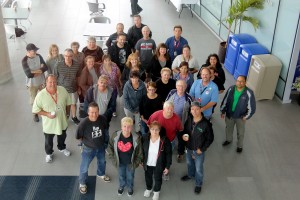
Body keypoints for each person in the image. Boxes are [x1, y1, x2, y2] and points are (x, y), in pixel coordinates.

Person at [32, 74, 71, 163]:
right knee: (48, 141)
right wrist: (47, 114)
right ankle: (49, 153)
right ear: (46, 82)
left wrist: (67, 114)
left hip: (62, 121)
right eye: (50, 82)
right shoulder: (40, 95)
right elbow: (35, 110)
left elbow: (68, 102)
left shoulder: (62, 90)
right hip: (49, 125)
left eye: (54, 82)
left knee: (62, 136)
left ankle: (62, 148)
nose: (52, 84)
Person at [76, 102, 111, 194]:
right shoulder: (83, 123)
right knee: (84, 167)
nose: (94, 115)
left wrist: (105, 143)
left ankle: (101, 174)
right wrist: (84, 144)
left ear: (99, 111)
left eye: (96, 112)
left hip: (100, 147)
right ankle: (82, 183)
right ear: (88, 112)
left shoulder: (102, 119)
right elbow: (78, 136)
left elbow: (106, 130)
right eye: (92, 112)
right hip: (88, 149)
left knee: (102, 162)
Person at [181, 101, 214, 194]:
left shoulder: (206, 124)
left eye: (196, 109)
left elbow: (210, 138)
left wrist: (202, 149)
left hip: (199, 150)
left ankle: (198, 184)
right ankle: (191, 175)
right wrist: (184, 135)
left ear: (200, 110)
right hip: (189, 148)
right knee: (189, 163)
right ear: (190, 110)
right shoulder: (189, 119)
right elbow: (185, 130)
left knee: (199, 168)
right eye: (192, 109)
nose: (194, 111)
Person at [147, 101, 183, 180]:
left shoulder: (176, 119)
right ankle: (155, 169)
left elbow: (180, 130)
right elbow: (149, 125)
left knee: (166, 157)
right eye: (168, 108)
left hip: (170, 142)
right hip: (157, 141)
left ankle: (165, 171)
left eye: (172, 109)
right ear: (163, 109)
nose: (170, 111)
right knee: (156, 156)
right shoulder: (155, 115)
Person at [108, 117, 143, 197]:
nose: (126, 129)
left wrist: (136, 163)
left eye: (129, 126)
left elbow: (140, 153)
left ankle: (130, 187)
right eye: (124, 126)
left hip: (131, 163)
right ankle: (122, 186)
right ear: (121, 126)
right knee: (121, 175)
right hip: (119, 162)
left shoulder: (136, 138)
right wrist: (113, 159)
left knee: (130, 176)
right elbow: (110, 147)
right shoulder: (115, 135)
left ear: (132, 127)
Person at [220, 75, 256, 153]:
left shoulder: (249, 93)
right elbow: (225, 100)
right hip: (229, 114)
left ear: (245, 82)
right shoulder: (231, 89)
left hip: (240, 117)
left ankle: (239, 146)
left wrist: (246, 116)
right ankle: (228, 140)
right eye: (238, 80)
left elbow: (252, 108)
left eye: (241, 81)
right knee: (228, 128)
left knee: (240, 132)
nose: (239, 83)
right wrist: (222, 111)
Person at [142, 121, 172, 200]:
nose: (154, 131)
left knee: (158, 178)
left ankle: (156, 191)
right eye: (152, 129)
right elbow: (141, 151)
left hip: (159, 164)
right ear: (149, 129)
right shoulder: (145, 138)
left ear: (159, 130)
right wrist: (141, 160)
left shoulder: (164, 140)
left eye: (156, 130)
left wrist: (167, 166)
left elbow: (169, 154)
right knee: (148, 177)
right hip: (148, 163)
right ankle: (149, 189)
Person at [165, 80, 192, 163]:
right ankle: (167, 149)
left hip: (181, 123)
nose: (181, 88)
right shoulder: (171, 92)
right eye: (179, 85)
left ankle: (180, 153)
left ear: (186, 87)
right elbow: (166, 103)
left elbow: (191, 111)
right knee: (168, 136)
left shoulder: (188, 98)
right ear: (176, 86)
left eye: (183, 86)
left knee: (181, 139)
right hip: (170, 121)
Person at [54, 48, 82, 125]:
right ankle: (63, 118)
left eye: (70, 56)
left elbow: (78, 77)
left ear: (72, 56)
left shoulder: (77, 65)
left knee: (73, 104)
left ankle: (74, 117)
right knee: (62, 105)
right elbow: (55, 77)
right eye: (66, 56)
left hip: (73, 88)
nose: (68, 58)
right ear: (63, 56)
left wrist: (79, 87)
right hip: (61, 89)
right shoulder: (58, 65)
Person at [22, 43, 48, 122]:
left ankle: (44, 111)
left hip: (42, 82)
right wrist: (40, 70)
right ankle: (35, 114)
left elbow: (45, 67)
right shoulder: (24, 60)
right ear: (28, 51)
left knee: (44, 97)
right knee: (33, 100)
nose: (36, 51)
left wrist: (34, 71)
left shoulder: (39, 56)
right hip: (32, 84)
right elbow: (29, 74)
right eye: (34, 50)